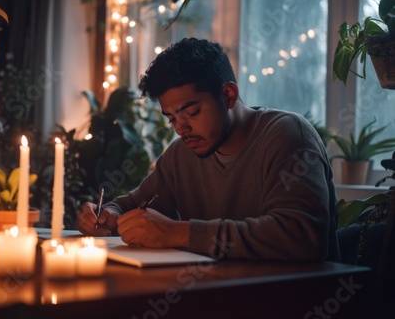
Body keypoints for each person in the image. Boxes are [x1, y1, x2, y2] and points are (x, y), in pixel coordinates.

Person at [77, 38, 340, 261]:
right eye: (171, 118)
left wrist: (177, 232)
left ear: (229, 95)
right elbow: (131, 205)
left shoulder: (288, 135)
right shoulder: (183, 154)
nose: (181, 128)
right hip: (219, 299)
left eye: (191, 112)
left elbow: (300, 237)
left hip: (299, 305)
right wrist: (108, 216)